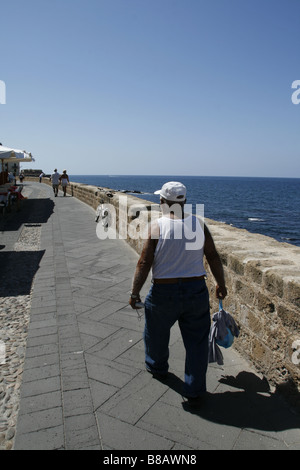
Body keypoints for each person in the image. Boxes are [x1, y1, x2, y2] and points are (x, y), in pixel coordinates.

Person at [129, 181, 227, 406]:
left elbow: (144, 262)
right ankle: (194, 388)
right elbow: (213, 256)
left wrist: (135, 293)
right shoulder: (198, 224)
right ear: (183, 201)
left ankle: (157, 366)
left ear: (163, 202)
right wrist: (221, 283)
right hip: (196, 290)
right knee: (196, 342)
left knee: (156, 333)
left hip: (164, 290)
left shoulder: (157, 226)